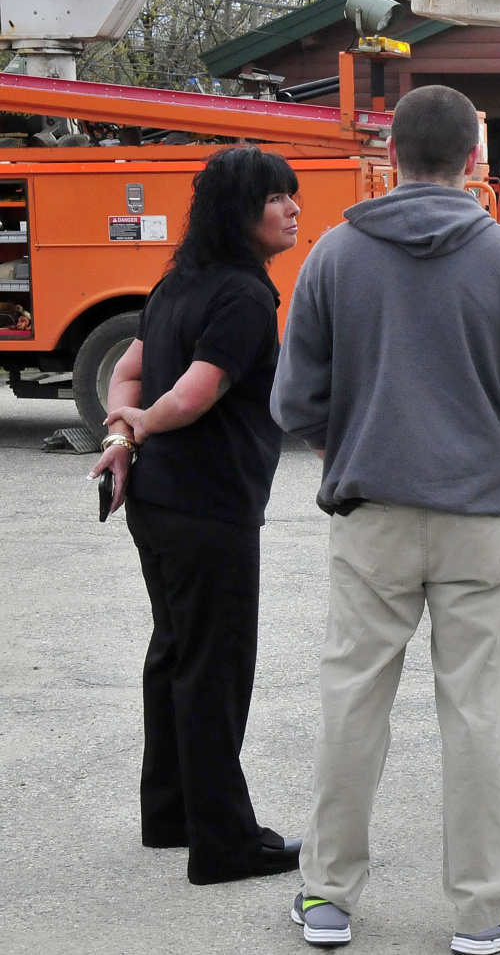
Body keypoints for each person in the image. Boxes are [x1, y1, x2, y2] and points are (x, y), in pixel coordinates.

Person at [270, 85, 500, 951]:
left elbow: (295, 400)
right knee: (475, 710)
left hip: (371, 513)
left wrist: (350, 454)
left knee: (352, 701)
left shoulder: (334, 256)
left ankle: (329, 896)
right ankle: (486, 911)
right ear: (475, 162)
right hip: (480, 518)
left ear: (392, 152)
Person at [87, 145, 304, 885]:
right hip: (212, 504)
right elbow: (196, 391)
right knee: (213, 667)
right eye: (277, 198)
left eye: (291, 196)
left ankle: (171, 812)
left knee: (175, 652)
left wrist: (122, 429)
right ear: (240, 211)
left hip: (159, 501)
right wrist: (139, 425)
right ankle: (225, 843)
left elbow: (129, 371)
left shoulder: (178, 280)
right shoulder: (245, 295)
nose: (292, 209)